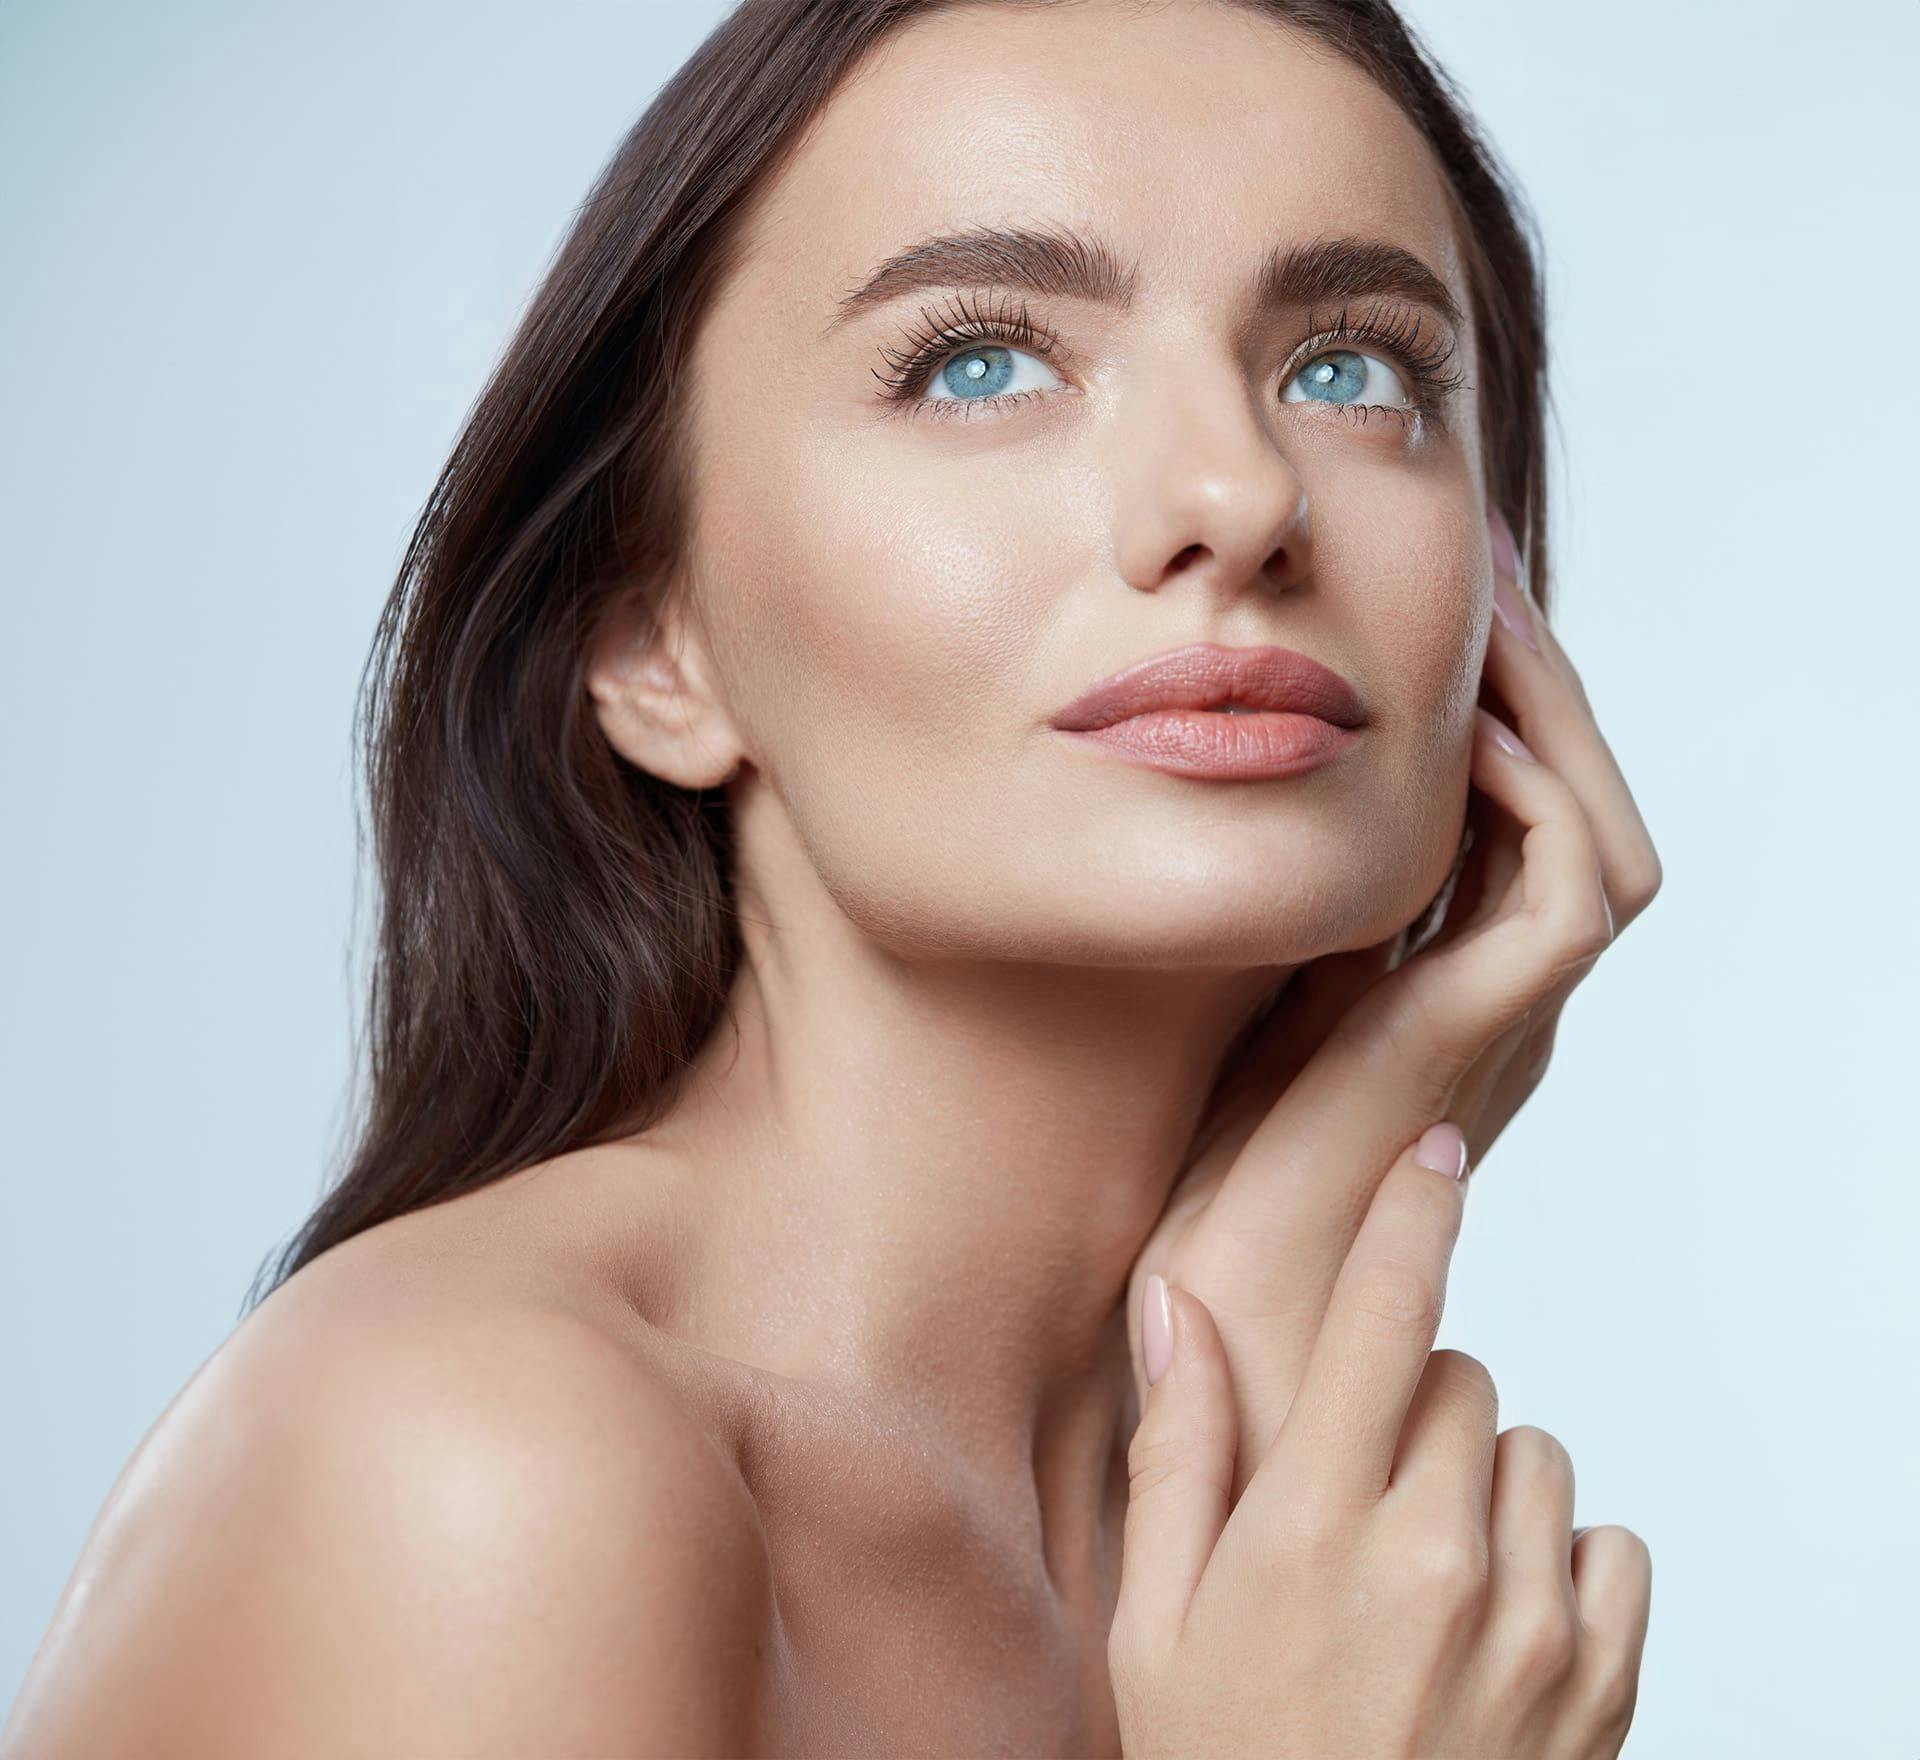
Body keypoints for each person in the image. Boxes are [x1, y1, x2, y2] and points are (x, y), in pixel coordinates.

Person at [3, 0, 1664, 1752]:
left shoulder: (1296, 1566)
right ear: (655, 638)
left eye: (1353, 370)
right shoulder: (484, 1465)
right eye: (978, 364)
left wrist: (1277, 1286)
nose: (1239, 492)